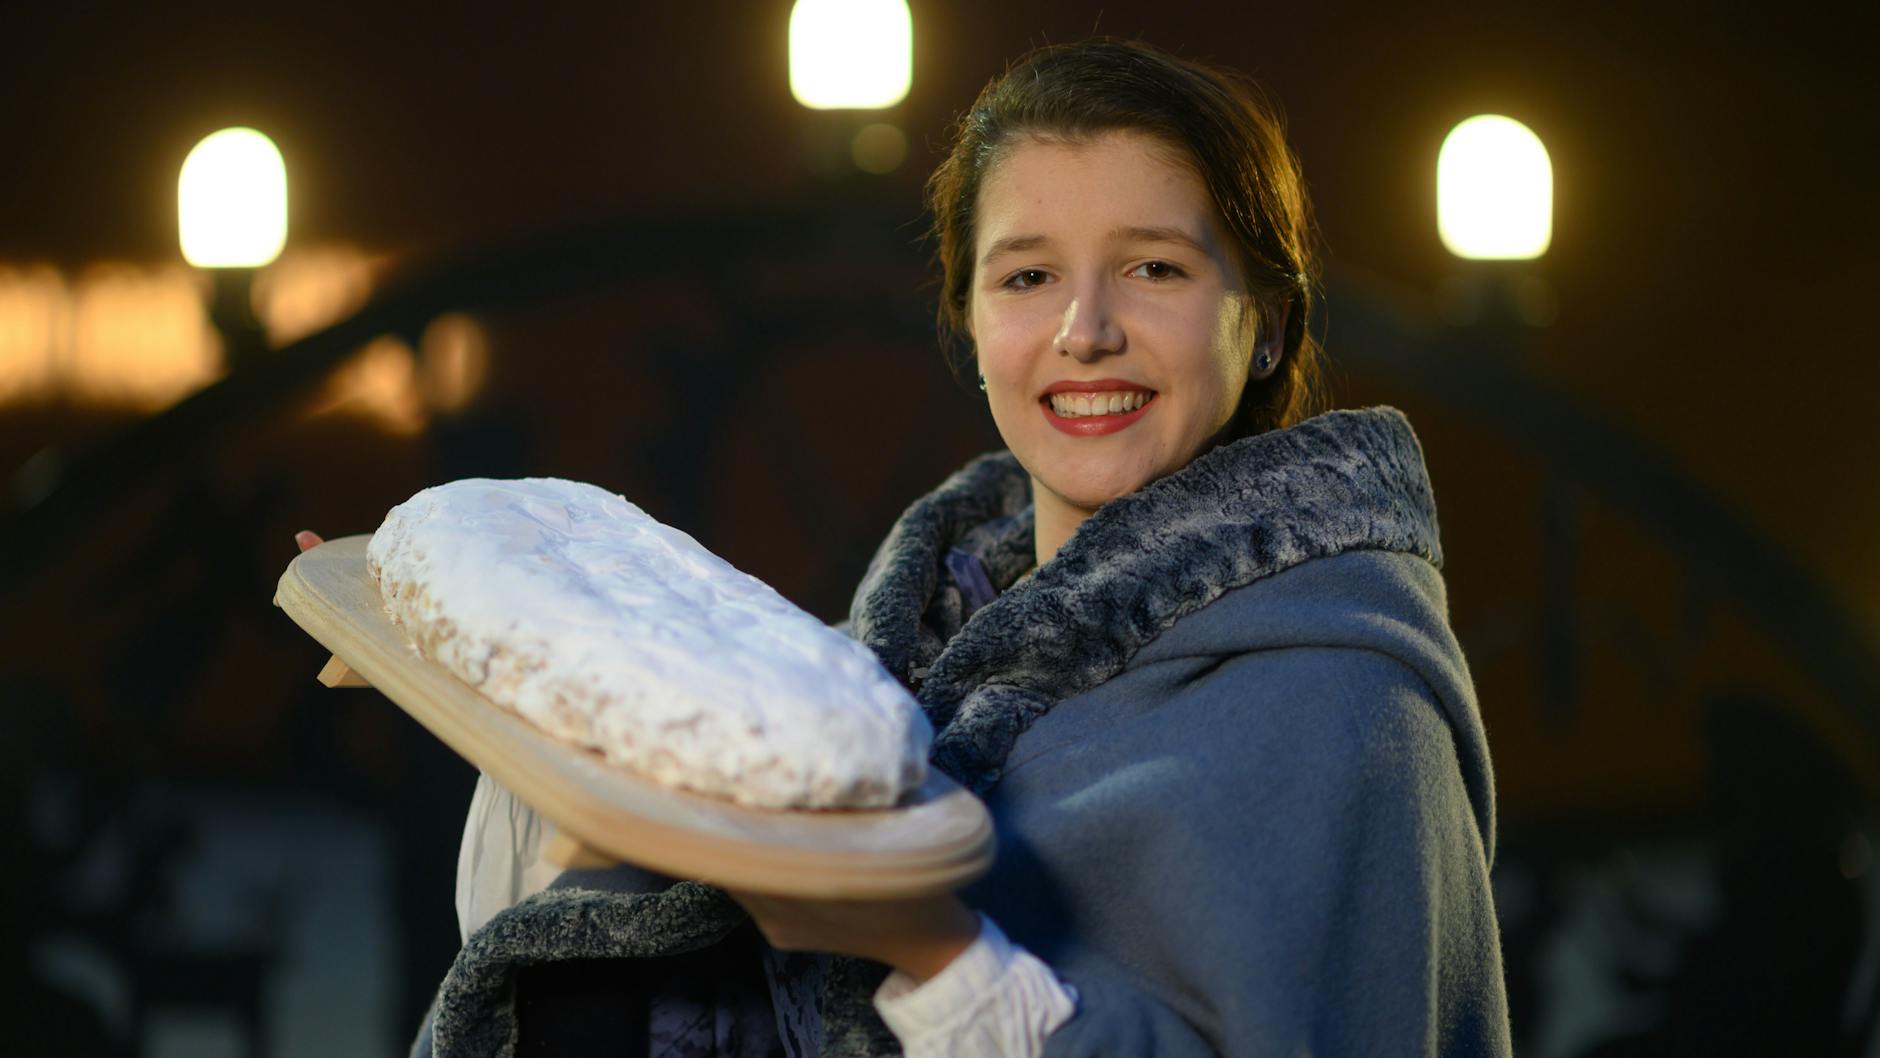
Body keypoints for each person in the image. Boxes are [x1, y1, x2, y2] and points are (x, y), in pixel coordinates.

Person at [306, 37, 1511, 1058]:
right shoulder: (893, 668)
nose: (1084, 330)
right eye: (1026, 275)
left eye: (1153, 267)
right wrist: (488, 666)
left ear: (1264, 324)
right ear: (971, 326)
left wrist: (928, 945)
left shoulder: (1349, 714)